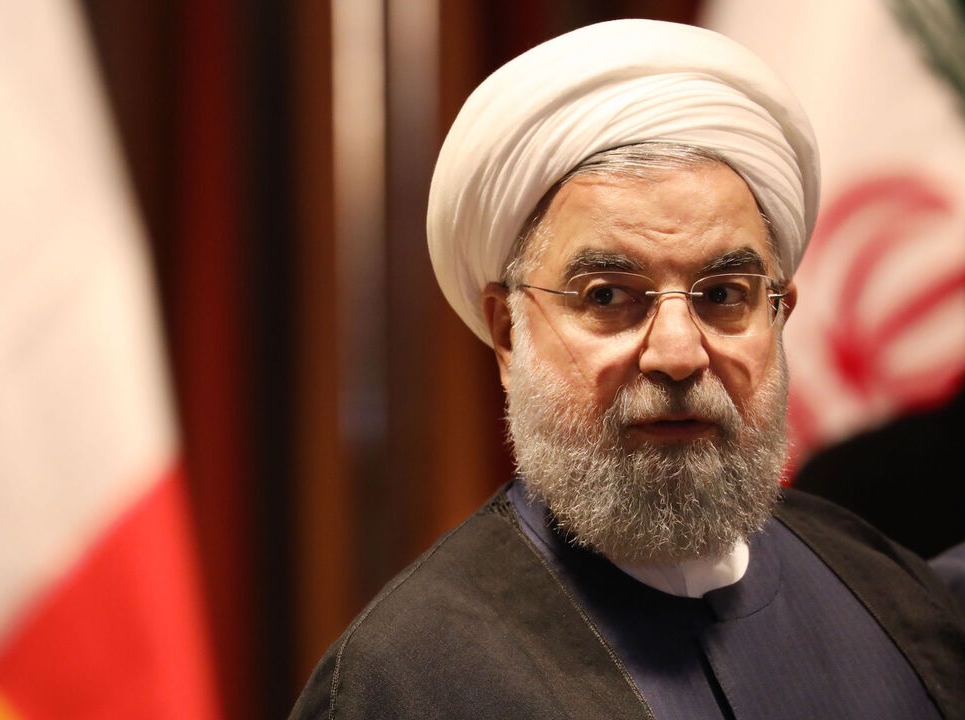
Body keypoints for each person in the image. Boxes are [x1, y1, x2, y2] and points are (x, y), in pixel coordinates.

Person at [290, 19, 965, 720]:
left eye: (724, 296)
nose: (678, 353)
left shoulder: (882, 591)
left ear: (779, 315)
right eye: (608, 296)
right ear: (506, 335)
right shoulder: (407, 682)